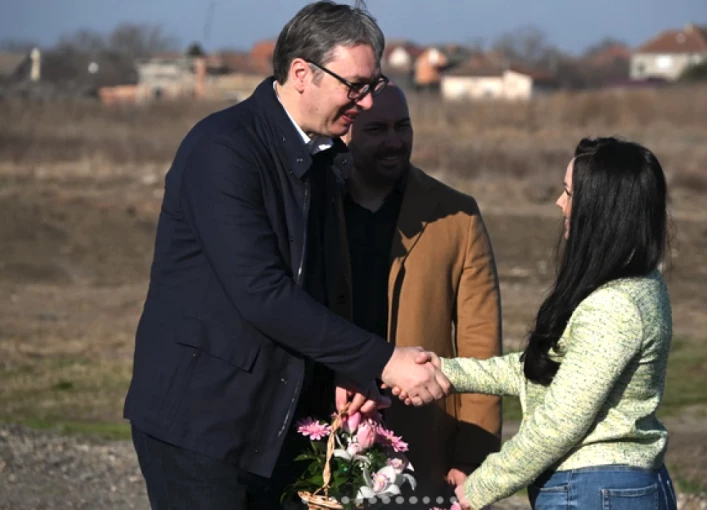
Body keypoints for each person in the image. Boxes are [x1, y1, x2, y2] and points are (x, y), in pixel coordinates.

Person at [122, 2, 449, 509]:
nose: (366, 103)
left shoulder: (325, 158)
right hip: (202, 426)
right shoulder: (223, 150)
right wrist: (383, 360)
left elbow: (320, 286)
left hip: (275, 425)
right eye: (355, 86)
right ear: (301, 74)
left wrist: (346, 369)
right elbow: (262, 293)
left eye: (374, 85)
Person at [403, 137, 678, 509]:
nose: (559, 203)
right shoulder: (639, 284)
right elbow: (546, 371)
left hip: (594, 491)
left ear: (601, 207)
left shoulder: (614, 306)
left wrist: (478, 487)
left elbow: (560, 422)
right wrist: (444, 372)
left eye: (569, 193)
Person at [341, 84, 502, 505]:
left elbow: (481, 346)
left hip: (422, 447)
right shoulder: (314, 208)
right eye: (376, 129)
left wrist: (474, 455)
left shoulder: (457, 216)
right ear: (345, 130)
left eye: (403, 126)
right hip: (324, 434)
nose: (394, 141)